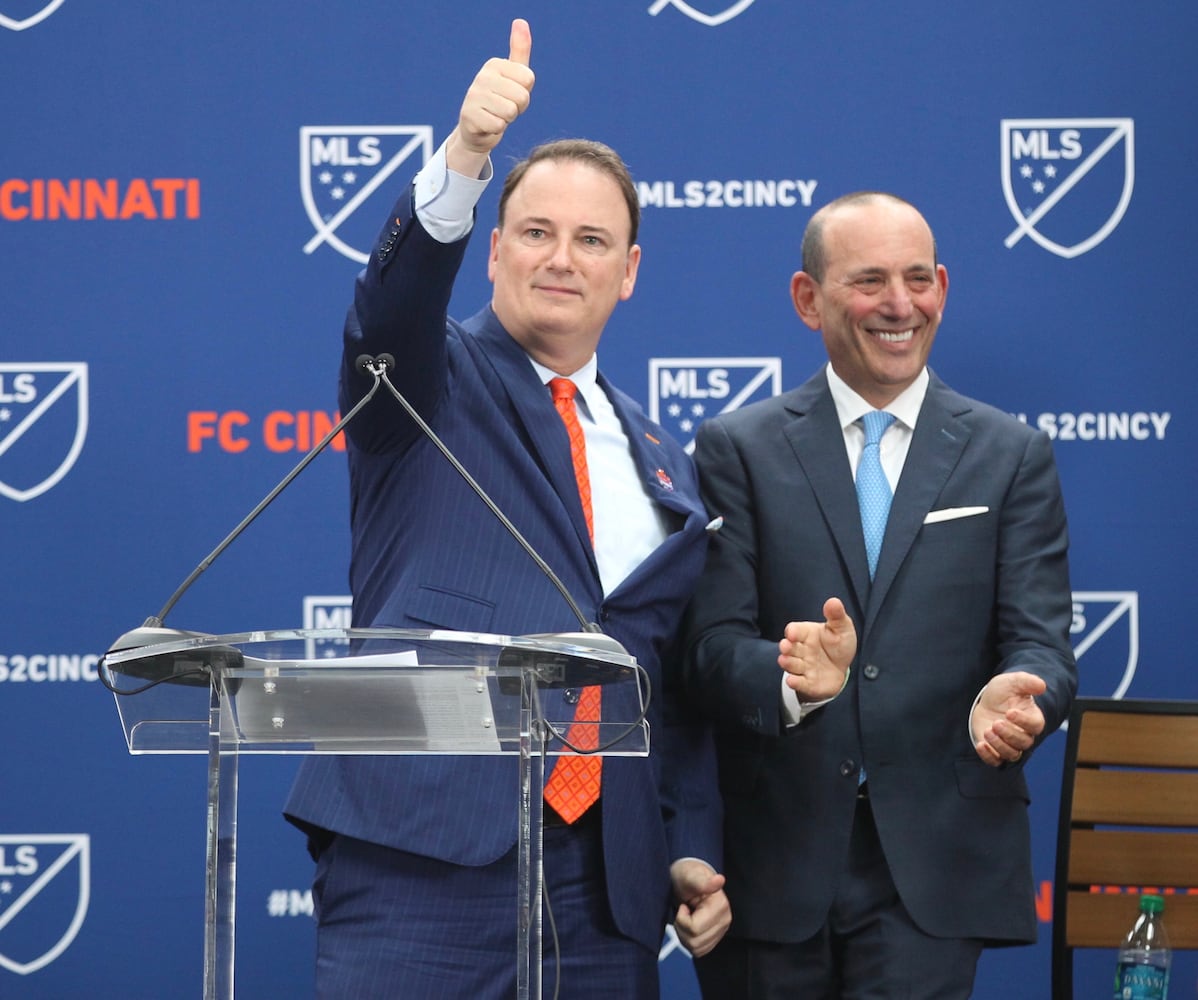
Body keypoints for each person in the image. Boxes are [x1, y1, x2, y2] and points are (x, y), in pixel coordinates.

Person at [283, 19, 736, 998]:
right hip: (422, 861)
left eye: (591, 240)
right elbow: (388, 308)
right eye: (536, 232)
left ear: (630, 271)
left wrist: (686, 846)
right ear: (492, 251)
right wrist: (465, 157)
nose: (561, 258)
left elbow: (668, 680)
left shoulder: (666, 462)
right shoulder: (422, 379)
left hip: (605, 889)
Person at [682, 190, 1078, 998]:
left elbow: (1042, 645)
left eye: (918, 279)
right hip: (773, 864)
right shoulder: (737, 449)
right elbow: (709, 650)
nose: (900, 305)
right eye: (869, 281)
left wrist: (1022, 697)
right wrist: (793, 677)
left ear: (942, 286)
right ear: (808, 299)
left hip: (934, 861)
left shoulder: (1011, 455)